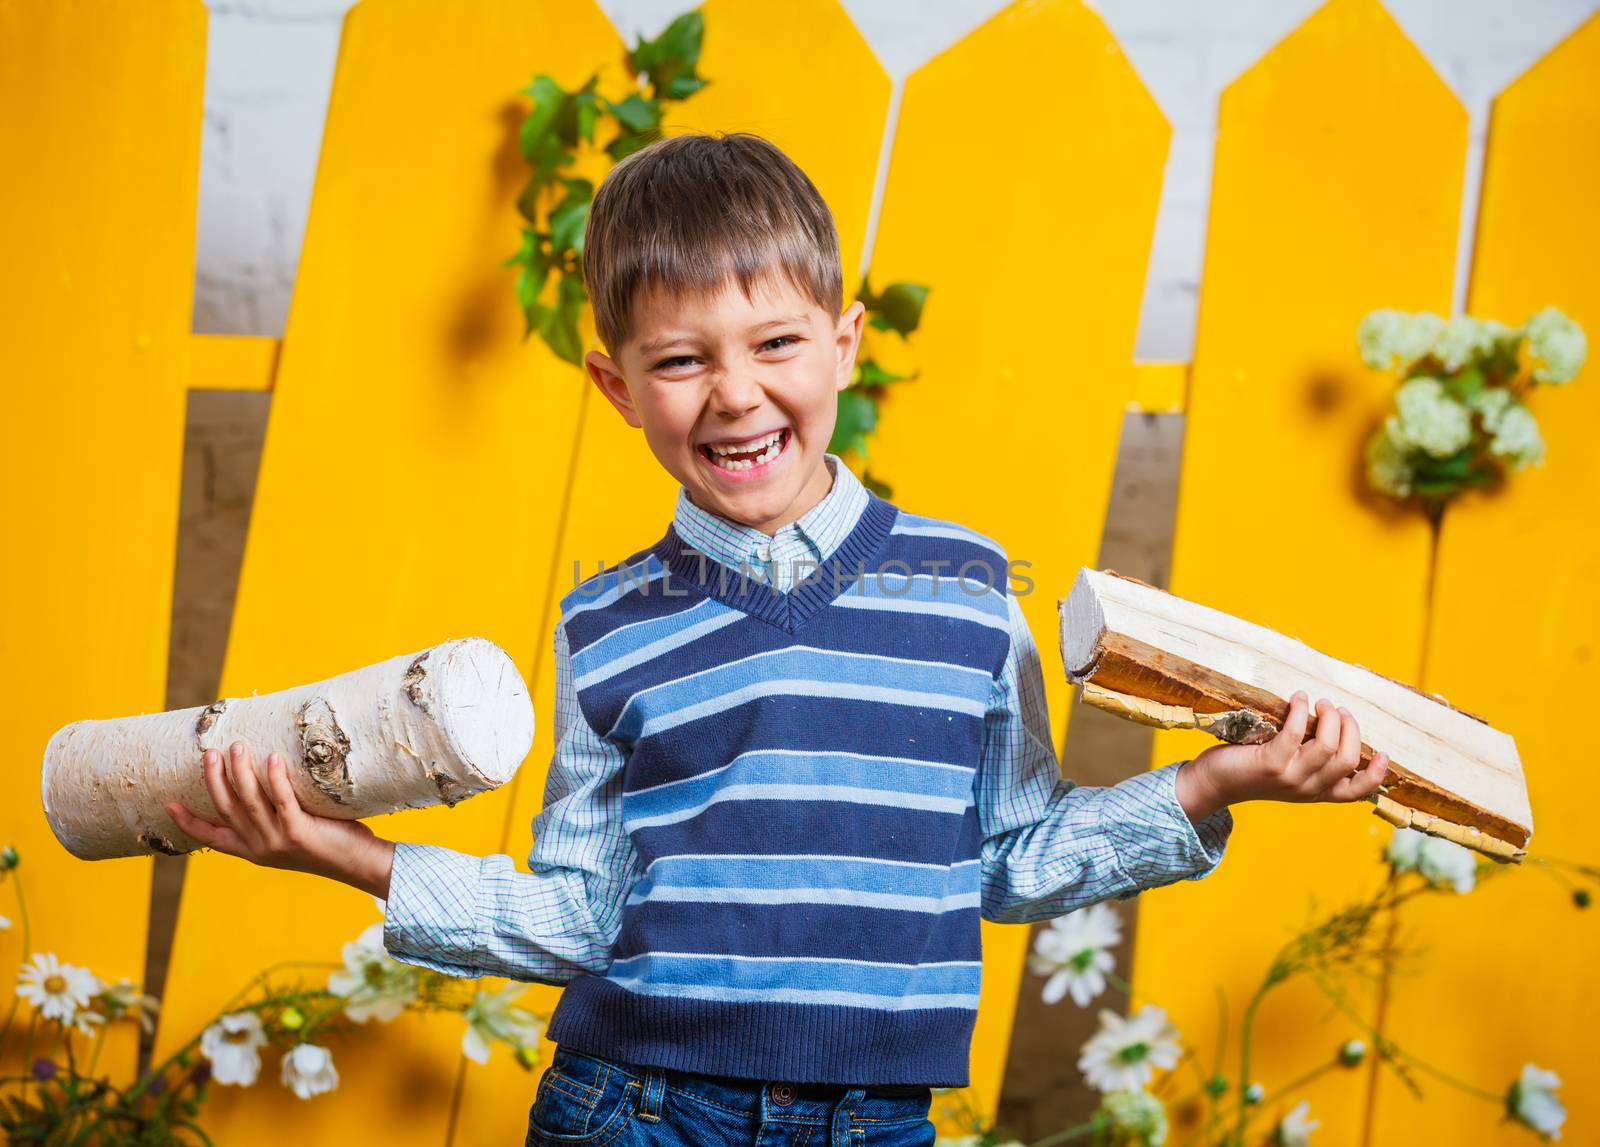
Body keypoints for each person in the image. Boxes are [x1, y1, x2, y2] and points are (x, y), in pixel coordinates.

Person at [167, 131, 1390, 1146]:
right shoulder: (606, 625)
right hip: (634, 1112)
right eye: (681, 361)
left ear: (844, 344)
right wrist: (352, 857)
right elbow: (584, 915)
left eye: (776, 344)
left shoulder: (965, 592)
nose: (736, 393)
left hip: (878, 1122)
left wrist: (1216, 781)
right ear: (615, 387)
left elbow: (1011, 857)